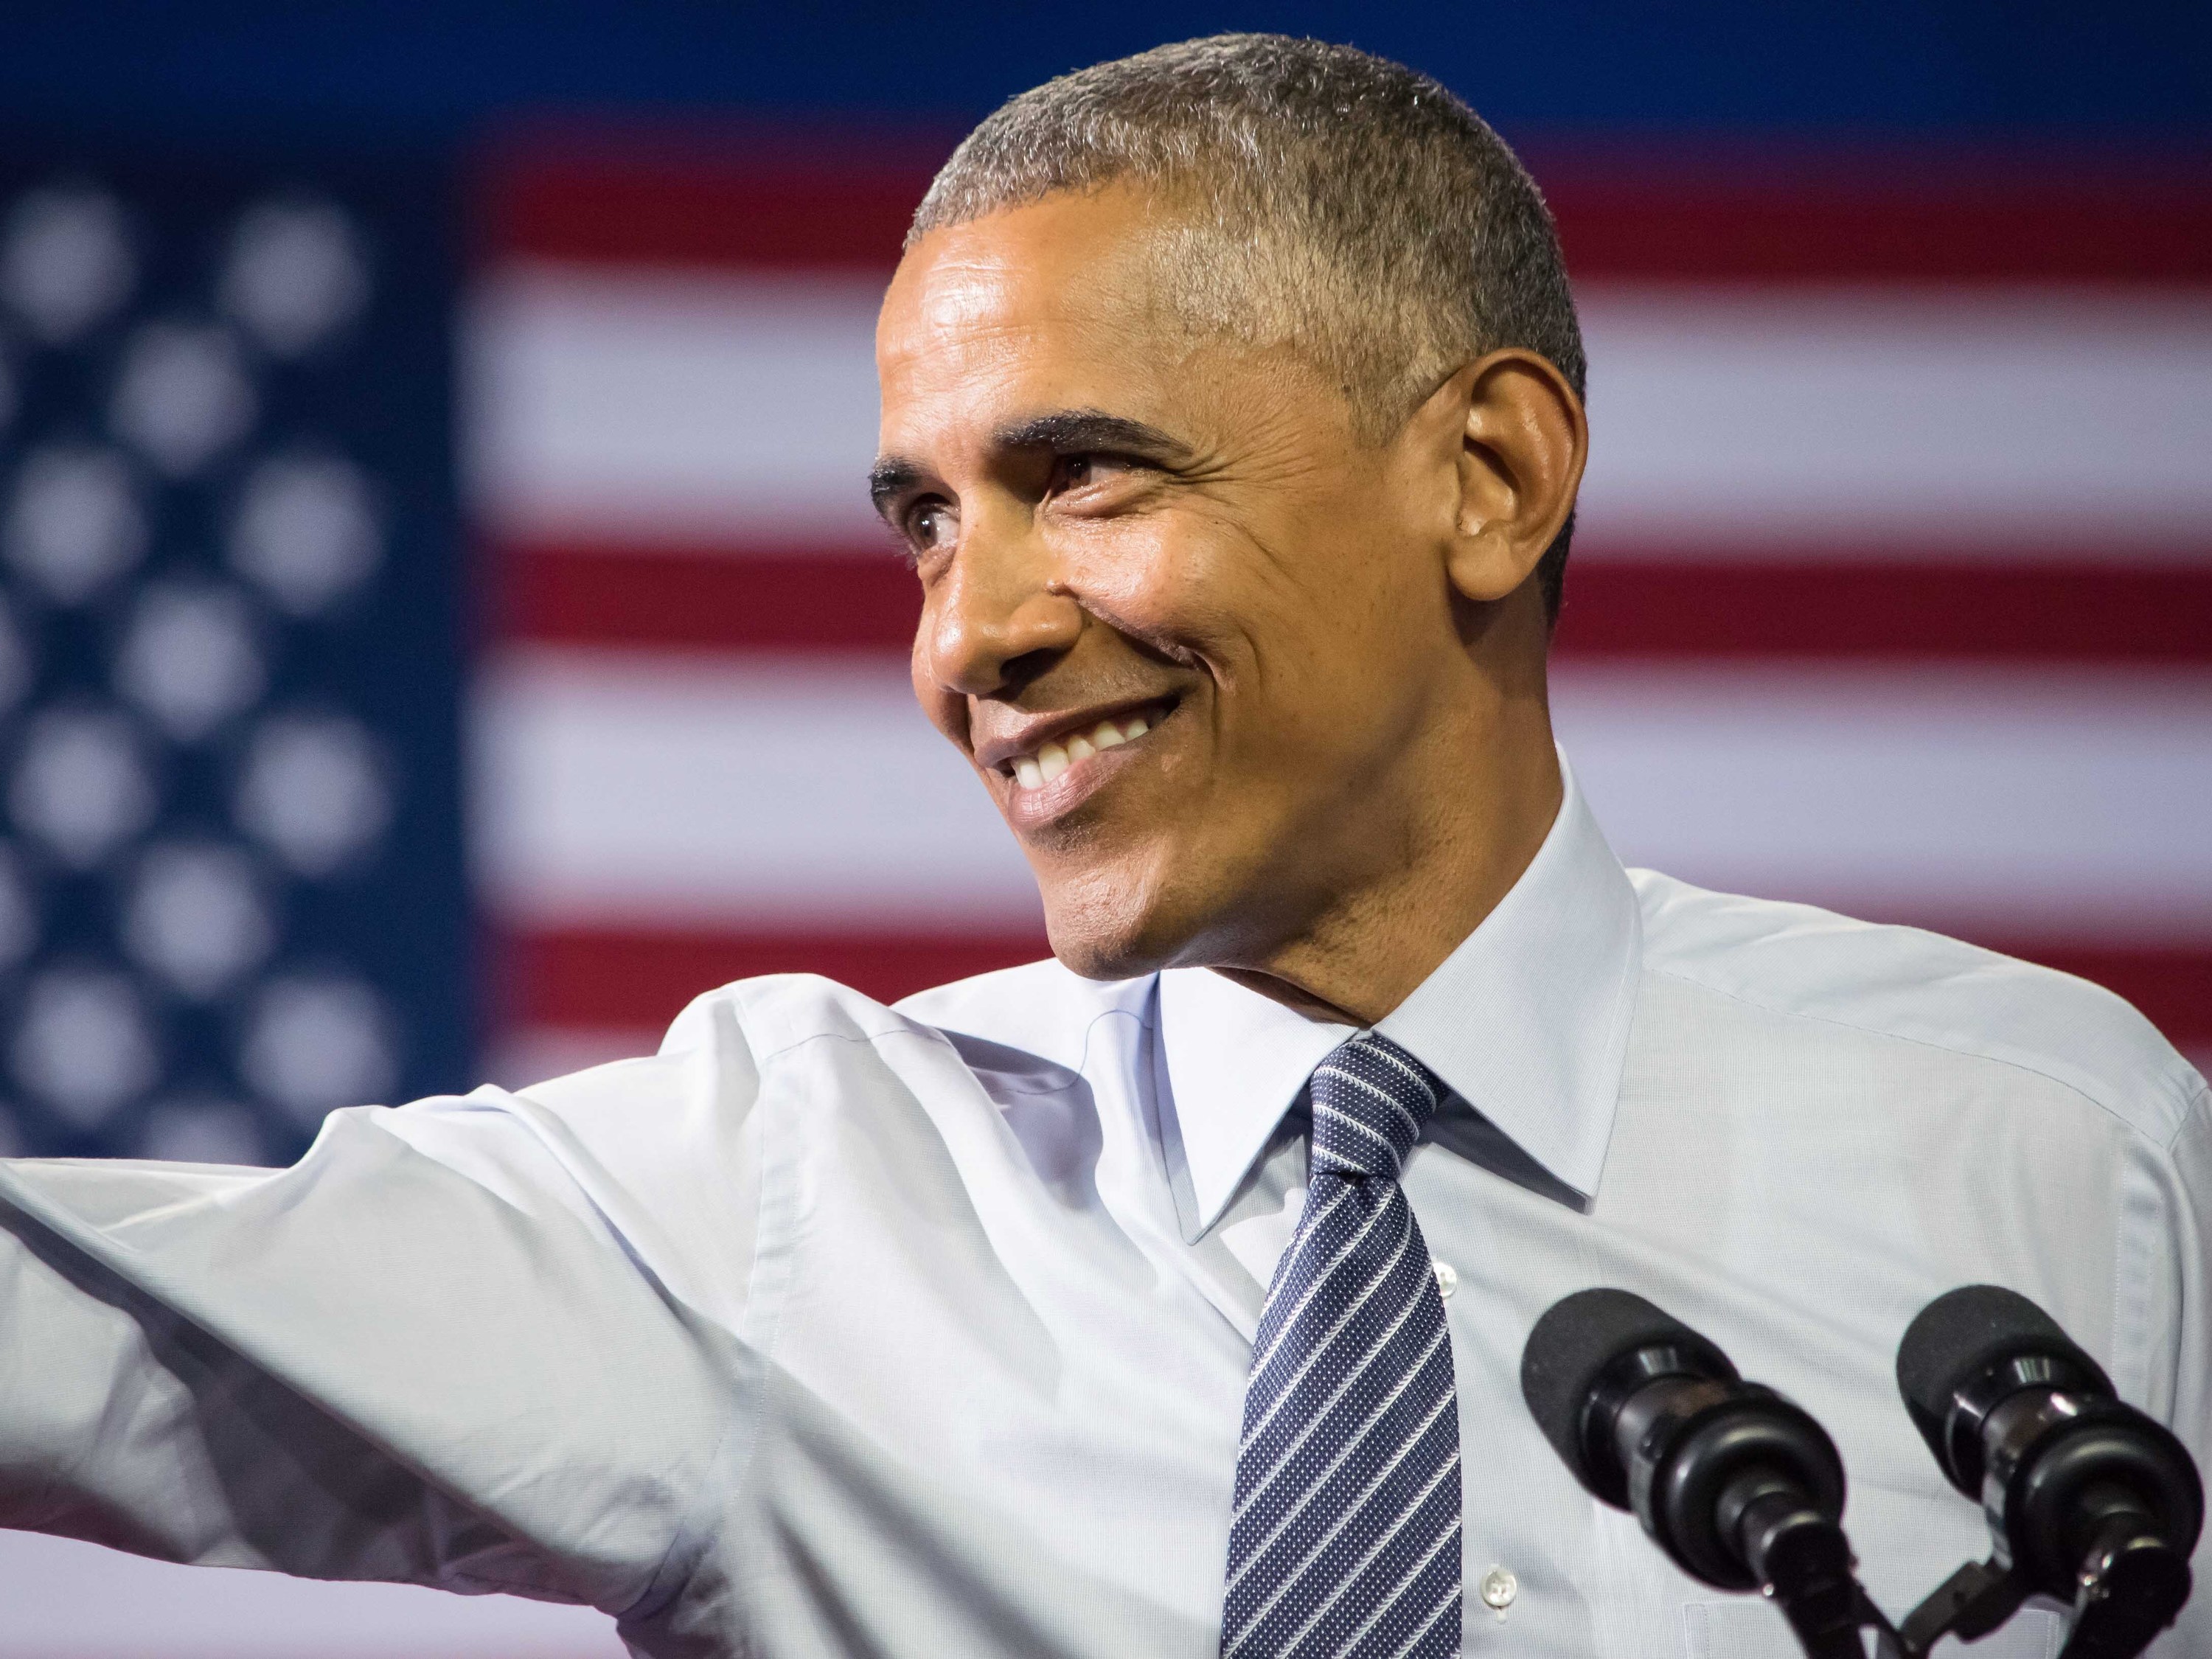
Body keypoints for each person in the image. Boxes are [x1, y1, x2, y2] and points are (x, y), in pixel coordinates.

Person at [0, 33, 2205, 1659]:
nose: (972, 636)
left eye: (1087, 477)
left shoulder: (2058, 1153)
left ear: (1497, 476)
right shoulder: (787, 1188)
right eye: (926, 522)